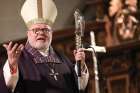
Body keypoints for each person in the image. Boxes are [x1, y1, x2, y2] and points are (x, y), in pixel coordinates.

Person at [0, 0, 89, 93]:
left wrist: (81, 66)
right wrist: (12, 67)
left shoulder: (62, 58)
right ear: (28, 34)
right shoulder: (18, 60)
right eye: (36, 30)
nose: (41, 33)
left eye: (46, 30)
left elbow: (79, 88)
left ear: (52, 34)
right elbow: (7, 88)